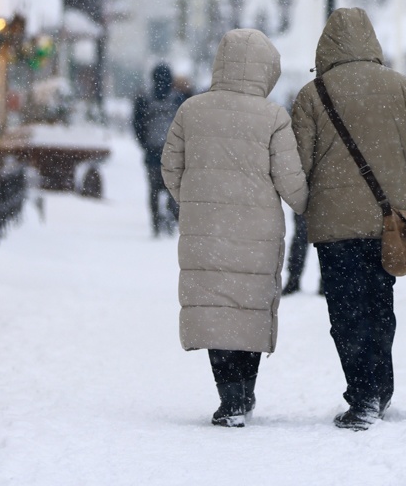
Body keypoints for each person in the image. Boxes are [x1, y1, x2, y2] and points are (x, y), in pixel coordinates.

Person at [291, 8, 406, 431]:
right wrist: (399, 193)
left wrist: (313, 202)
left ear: (327, 45)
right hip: (384, 223)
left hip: (334, 228)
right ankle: (380, 387)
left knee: (346, 311)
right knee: (380, 305)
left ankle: (363, 396)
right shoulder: (404, 88)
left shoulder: (312, 94)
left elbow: (299, 162)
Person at [161, 29, 308, 428]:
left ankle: (229, 395)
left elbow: (170, 167)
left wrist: (194, 199)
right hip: (257, 229)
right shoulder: (274, 116)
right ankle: (243, 391)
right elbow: (290, 179)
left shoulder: (191, 110)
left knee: (216, 310)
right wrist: (307, 207)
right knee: (248, 307)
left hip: (205, 228)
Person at [132, 63, 185, 236]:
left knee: (154, 189)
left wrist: (145, 144)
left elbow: (137, 125)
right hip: (173, 153)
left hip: (153, 152)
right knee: (173, 188)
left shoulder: (145, 99)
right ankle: (172, 216)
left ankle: (155, 222)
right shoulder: (178, 99)